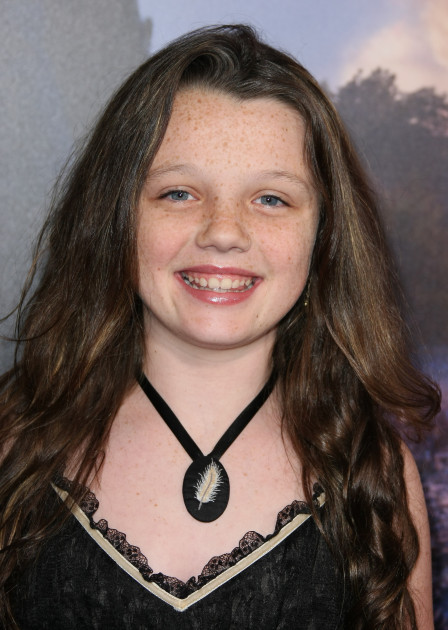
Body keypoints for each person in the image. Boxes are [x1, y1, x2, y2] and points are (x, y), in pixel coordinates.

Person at [0, 24, 440, 629]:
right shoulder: (11, 447)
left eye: (271, 199)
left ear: (324, 235)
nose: (224, 231)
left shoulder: (376, 477)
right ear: (116, 216)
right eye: (179, 193)